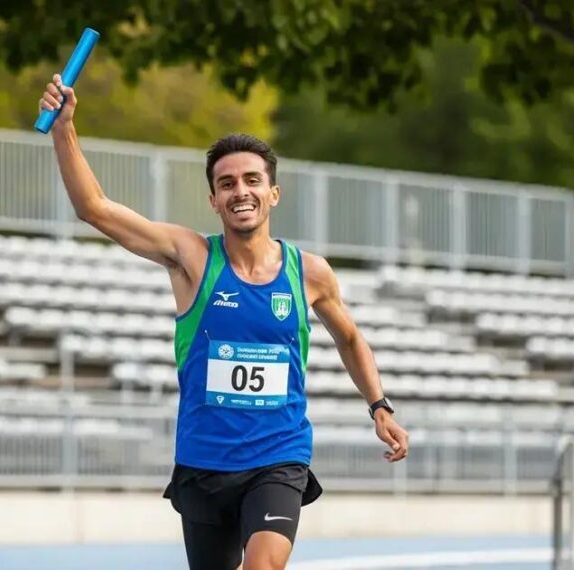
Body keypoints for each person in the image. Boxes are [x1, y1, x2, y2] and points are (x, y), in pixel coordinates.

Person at [39, 74, 410, 570]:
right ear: (214, 200)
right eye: (227, 183)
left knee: (262, 566)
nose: (241, 191)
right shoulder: (191, 258)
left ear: (273, 193)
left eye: (252, 180)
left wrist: (379, 406)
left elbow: (349, 337)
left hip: (279, 457)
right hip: (204, 463)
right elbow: (95, 209)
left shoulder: (310, 273)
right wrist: (65, 129)